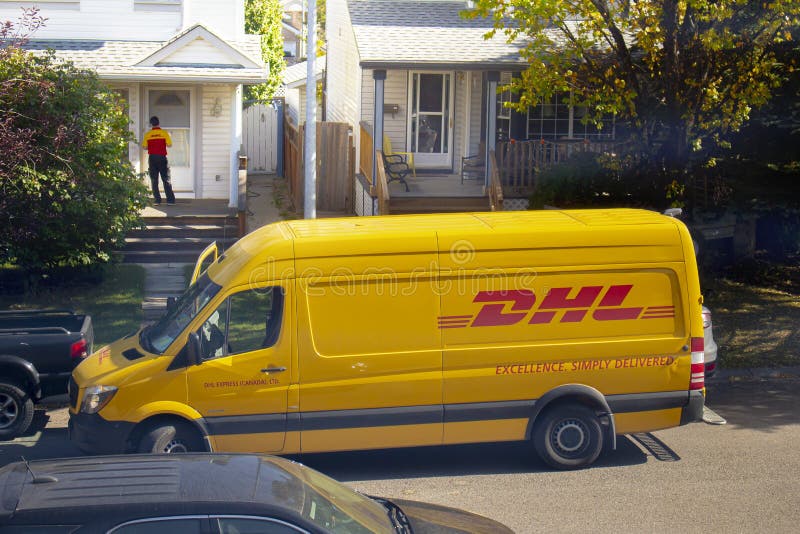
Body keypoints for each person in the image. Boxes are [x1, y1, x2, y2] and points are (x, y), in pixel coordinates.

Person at [142, 116, 176, 205]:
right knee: (166, 179)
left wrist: (152, 146)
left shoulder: (148, 135)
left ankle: (157, 200)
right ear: (158, 123)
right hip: (162, 157)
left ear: (151, 124)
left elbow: (144, 147)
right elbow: (169, 145)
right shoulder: (164, 133)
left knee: (154, 180)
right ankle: (170, 201)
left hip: (152, 158)